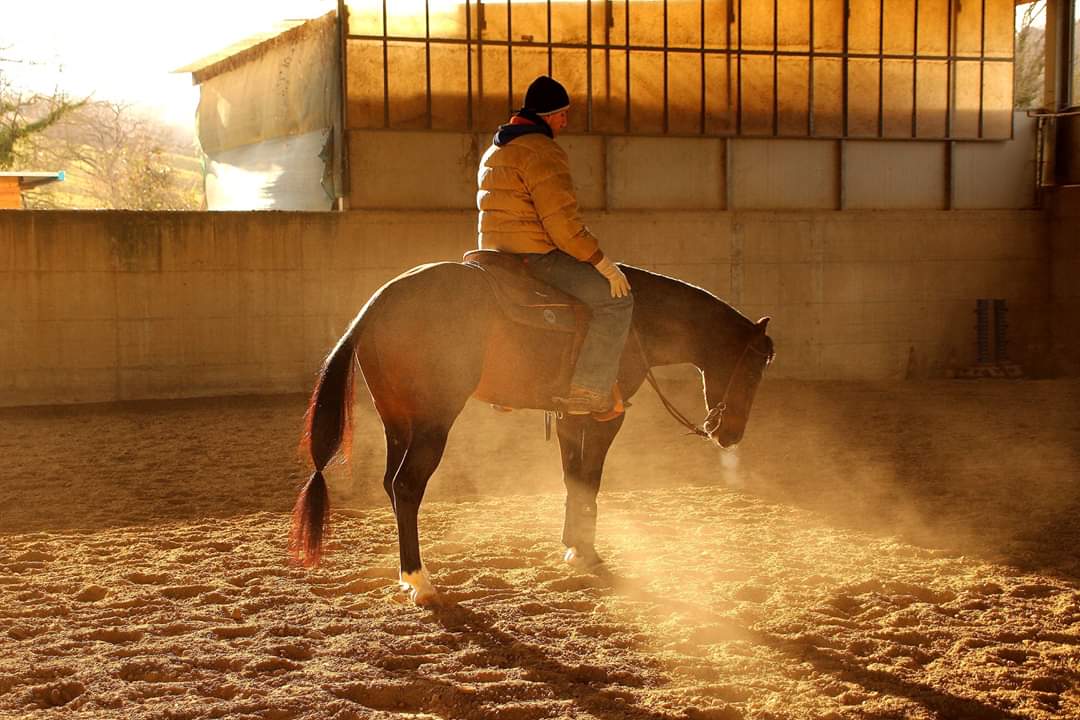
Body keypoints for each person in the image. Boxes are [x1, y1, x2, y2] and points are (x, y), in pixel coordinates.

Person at [477, 75, 633, 415]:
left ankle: (506, 387)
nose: (566, 121)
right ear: (547, 115)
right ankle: (590, 390)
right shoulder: (542, 151)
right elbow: (562, 225)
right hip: (533, 256)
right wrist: (600, 261)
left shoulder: (496, 148)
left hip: (492, 254)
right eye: (562, 113)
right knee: (615, 303)